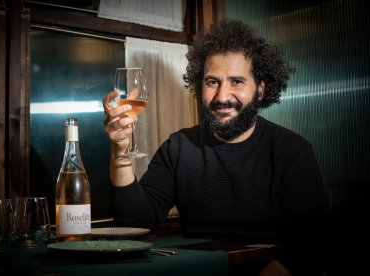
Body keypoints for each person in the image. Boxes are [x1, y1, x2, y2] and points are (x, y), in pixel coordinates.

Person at [103, 19, 331, 275]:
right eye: (212, 82)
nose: (222, 97)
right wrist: (120, 153)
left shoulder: (292, 152)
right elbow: (135, 225)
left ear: (261, 90)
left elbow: (308, 248)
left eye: (236, 81)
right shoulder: (179, 147)